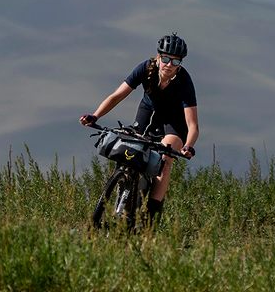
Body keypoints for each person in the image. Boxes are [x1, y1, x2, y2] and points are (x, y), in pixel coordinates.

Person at [80, 32, 199, 224]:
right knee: (127, 149)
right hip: (146, 114)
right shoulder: (145, 68)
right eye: (166, 59)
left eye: (175, 62)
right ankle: (122, 189)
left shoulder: (184, 81)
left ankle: (150, 218)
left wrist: (189, 146)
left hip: (173, 124)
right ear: (158, 57)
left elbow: (193, 125)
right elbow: (117, 96)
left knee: (165, 159)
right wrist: (95, 115)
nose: (169, 65)